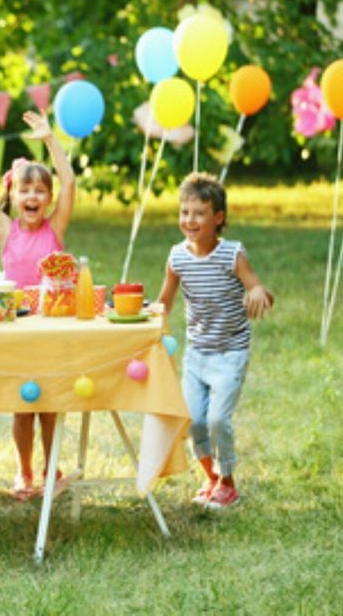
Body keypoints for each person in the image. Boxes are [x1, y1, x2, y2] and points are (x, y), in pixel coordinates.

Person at [0, 111, 76, 500]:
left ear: (49, 198)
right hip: (16, 325)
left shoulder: (56, 229)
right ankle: (25, 472)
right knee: (23, 408)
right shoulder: (6, 231)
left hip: (51, 325)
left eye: (41, 191)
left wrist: (50, 140)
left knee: (50, 406)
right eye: (26, 191)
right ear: (14, 196)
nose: (33, 197)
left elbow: (70, 180)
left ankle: (51, 467)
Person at [153, 172, 274, 509]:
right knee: (193, 420)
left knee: (218, 420)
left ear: (218, 218)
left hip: (230, 352)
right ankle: (211, 478)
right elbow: (165, 301)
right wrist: (144, 316)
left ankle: (229, 482)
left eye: (199, 213)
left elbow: (253, 284)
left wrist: (259, 291)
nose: (189, 220)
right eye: (184, 212)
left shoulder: (231, 254)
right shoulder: (177, 257)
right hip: (197, 354)